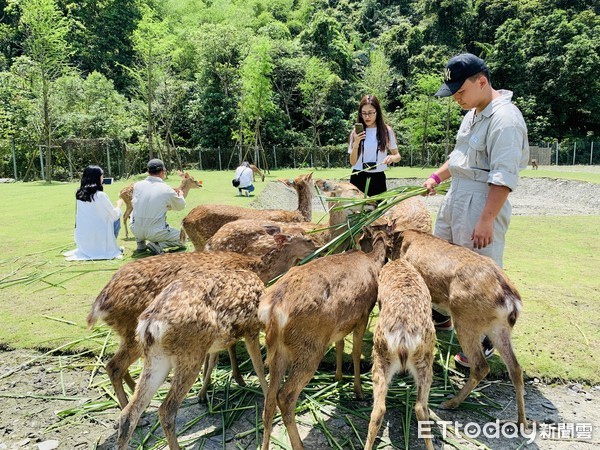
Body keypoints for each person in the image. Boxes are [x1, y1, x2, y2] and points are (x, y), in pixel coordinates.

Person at [424, 53, 529, 367]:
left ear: (481, 81)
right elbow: (459, 158)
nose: (457, 98)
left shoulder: (505, 119)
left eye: (461, 91)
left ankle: (483, 341)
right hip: (456, 195)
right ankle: (441, 315)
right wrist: (436, 177)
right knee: (440, 261)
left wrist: (486, 219)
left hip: (482, 201)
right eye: (453, 93)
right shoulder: (472, 112)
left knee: (477, 273)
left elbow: (503, 176)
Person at [64, 165, 123, 261]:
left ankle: (108, 246)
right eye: (102, 176)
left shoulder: (79, 194)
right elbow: (114, 214)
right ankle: (110, 246)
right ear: (97, 178)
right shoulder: (100, 195)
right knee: (116, 216)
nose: (103, 178)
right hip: (100, 239)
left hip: (83, 239)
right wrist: (119, 205)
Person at [130, 159, 186, 255]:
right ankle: (158, 245)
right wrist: (180, 195)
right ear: (163, 172)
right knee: (183, 238)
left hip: (135, 229)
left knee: (135, 212)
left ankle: (140, 243)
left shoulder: (137, 185)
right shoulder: (166, 188)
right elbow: (180, 206)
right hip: (156, 232)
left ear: (148, 172)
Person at [348, 94, 401, 196]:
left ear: (377, 112)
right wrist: (356, 143)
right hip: (358, 177)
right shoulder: (355, 132)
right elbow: (352, 162)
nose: (367, 117)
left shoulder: (386, 131)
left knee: (379, 211)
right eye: (363, 113)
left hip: (378, 179)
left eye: (370, 113)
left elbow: (398, 156)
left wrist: (392, 158)